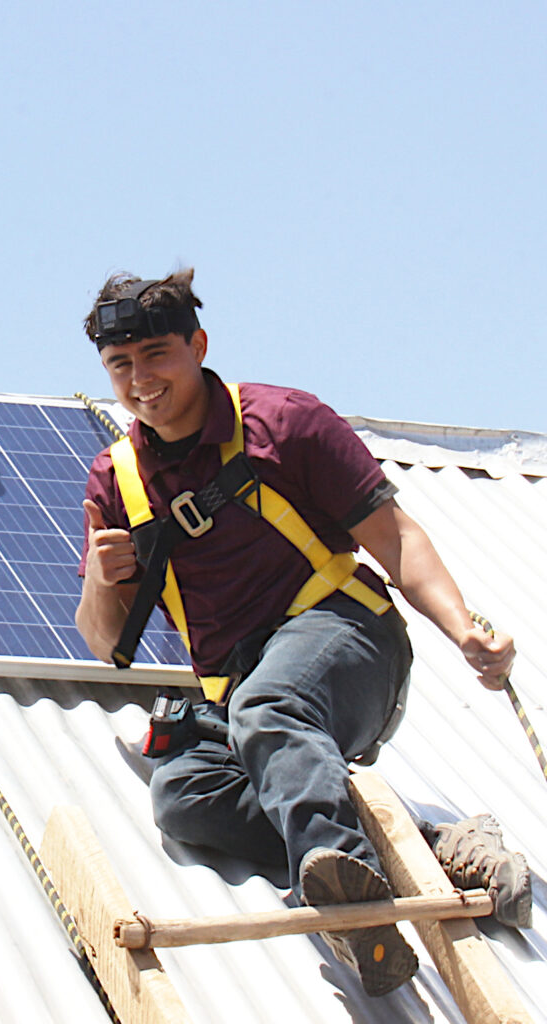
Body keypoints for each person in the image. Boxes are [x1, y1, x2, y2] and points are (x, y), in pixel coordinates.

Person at [76, 268, 530, 997]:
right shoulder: (117, 481)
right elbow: (105, 644)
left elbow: (397, 538)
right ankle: (431, 842)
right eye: (119, 365)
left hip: (349, 636)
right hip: (245, 694)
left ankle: (351, 913)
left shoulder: (285, 424)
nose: (140, 379)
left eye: (156, 354)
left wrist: (464, 629)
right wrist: (103, 580)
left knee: (269, 707)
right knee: (186, 796)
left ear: (198, 345)